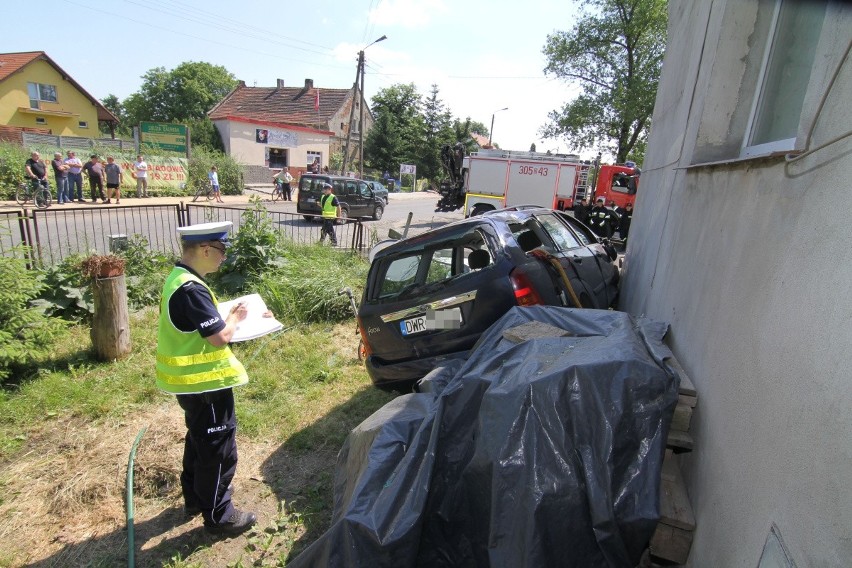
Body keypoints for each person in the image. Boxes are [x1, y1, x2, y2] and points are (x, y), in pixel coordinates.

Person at [156, 221, 266, 536]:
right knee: (218, 451)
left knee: (199, 441)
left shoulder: (180, 279)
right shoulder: (191, 289)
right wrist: (233, 319)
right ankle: (219, 516)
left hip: (191, 386)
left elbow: (203, 323)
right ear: (205, 249)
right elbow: (219, 337)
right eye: (222, 250)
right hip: (206, 387)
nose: (224, 257)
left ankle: (194, 498)